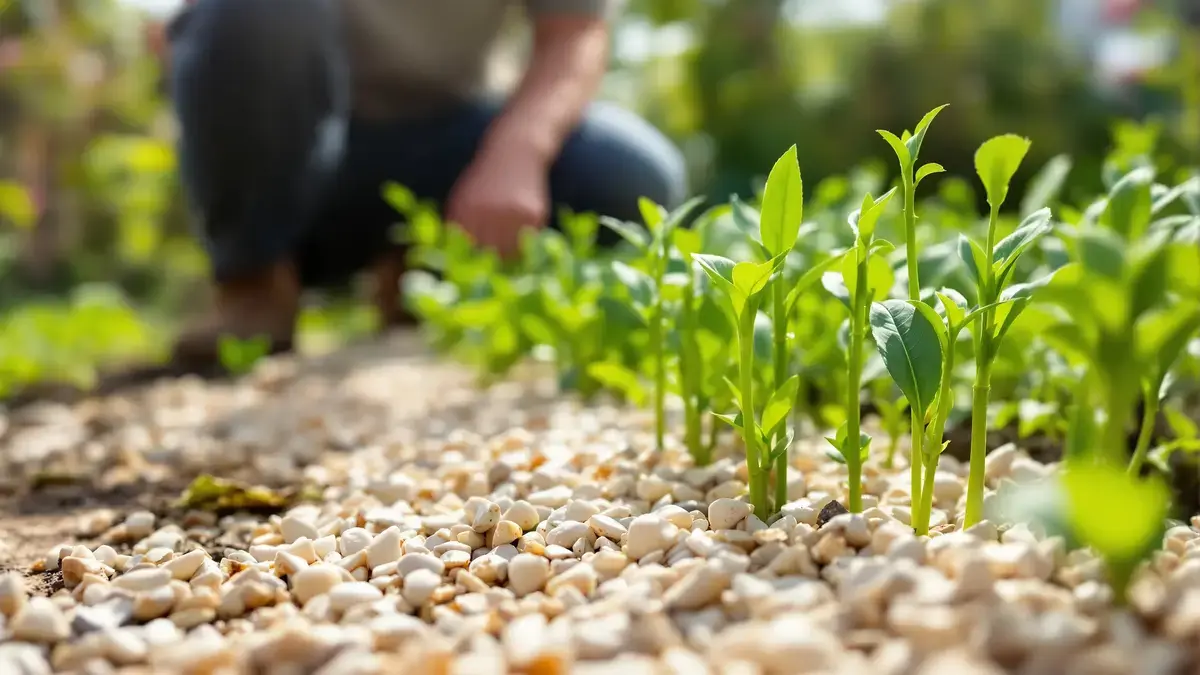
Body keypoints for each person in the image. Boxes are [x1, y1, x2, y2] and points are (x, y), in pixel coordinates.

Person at [150, 0, 687, 372]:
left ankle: (417, 270)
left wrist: (516, 154)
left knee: (630, 175)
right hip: (305, 148)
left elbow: (573, 34)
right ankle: (256, 283)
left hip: (457, 140)